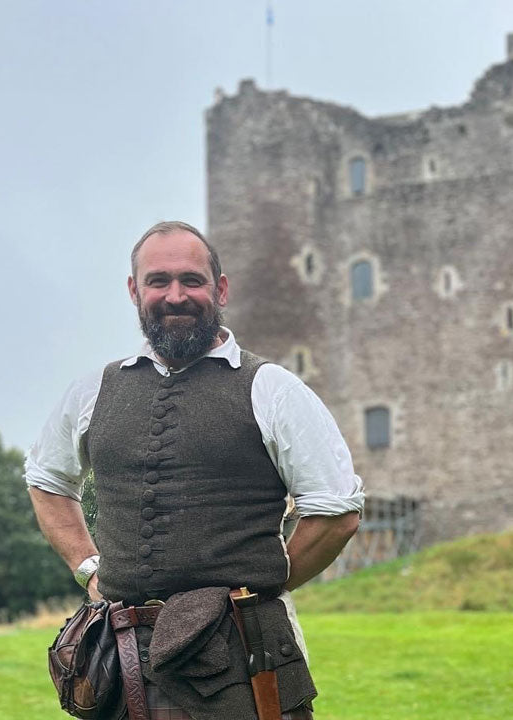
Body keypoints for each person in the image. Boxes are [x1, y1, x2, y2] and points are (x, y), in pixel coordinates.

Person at [26, 220, 364, 720]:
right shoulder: (93, 390)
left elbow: (336, 511)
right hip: (122, 660)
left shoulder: (273, 388)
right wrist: (89, 568)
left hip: (246, 653)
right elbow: (47, 480)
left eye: (192, 280)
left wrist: (266, 583)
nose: (175, 296)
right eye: (158, 281)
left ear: (220, 289)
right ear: (134, 291)